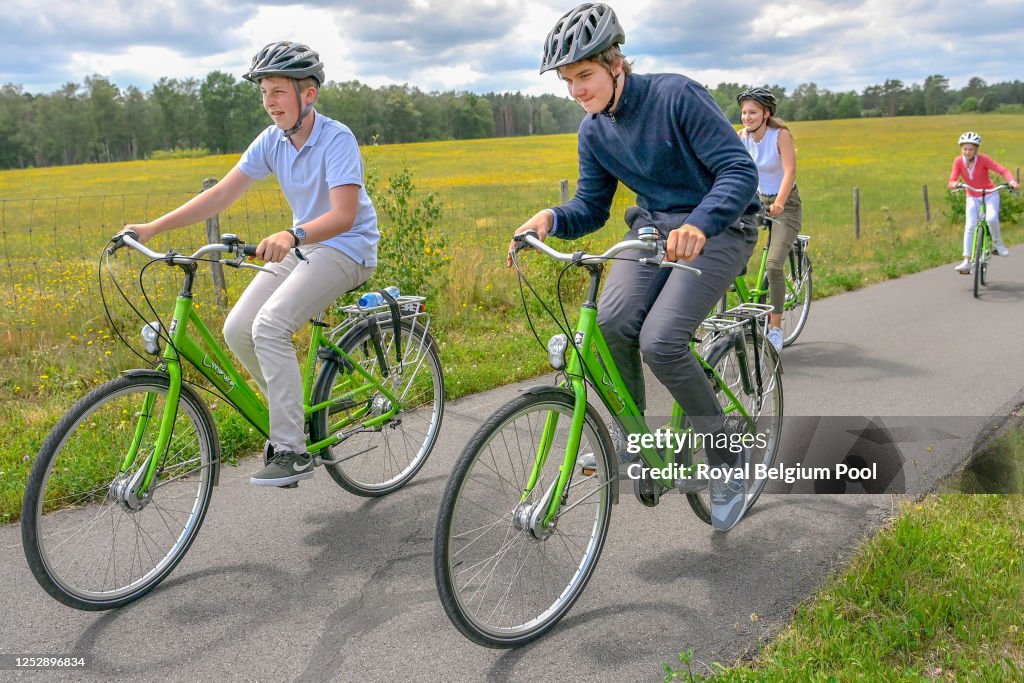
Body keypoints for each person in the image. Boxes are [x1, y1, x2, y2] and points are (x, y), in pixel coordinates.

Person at [508, 3, 760, 531]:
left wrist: (701, 223)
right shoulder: (594, 131)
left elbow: (738, 170)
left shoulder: (676, 95)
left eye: (585, 75)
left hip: (721, 225)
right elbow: (591, 207)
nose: (577, 90)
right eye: (567, 80)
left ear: (615, 62)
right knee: (607, 324)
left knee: (661, 340)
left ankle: (727, 458)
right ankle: (635, 442)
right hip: (651, 231)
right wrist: (551, 218)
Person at [123, 41, 379, 488]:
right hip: (306, 246)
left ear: (309, 94)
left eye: (278, 91)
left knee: (270, 327)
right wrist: (151, 228)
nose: (268, 102)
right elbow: (220, 194)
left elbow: (342, 215)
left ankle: (291, 451)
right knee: (237, 329)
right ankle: (290, 419)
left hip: (347, 246)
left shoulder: (336, 138)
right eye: (263, 92)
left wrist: (292, 234)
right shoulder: (272, 141)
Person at [736, 87, 800, 353]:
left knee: (774, 265)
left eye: (752, 112)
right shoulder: (743, 137)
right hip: (756, 201)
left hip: (785, 205)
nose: (747, 117)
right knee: (730, 252)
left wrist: (780, 202)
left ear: (766, 113)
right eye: (744, 112)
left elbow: (789, 172)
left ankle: (774, 329)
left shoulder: (780, 135)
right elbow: (737, 170)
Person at [947, 131, 1019, 273]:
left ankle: (998, 244)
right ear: (961, 149)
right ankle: (967, 260)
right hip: (972, 196)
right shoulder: (958, 161)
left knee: (991, 218)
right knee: (970, 226)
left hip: (990, 194)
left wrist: (1012, 181)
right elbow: (951, 180)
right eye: (965, 149)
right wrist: (954, 184)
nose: (967, 152)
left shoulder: (984, 160)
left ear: (976, 149)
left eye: (971, 149)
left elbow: (1002, 170)